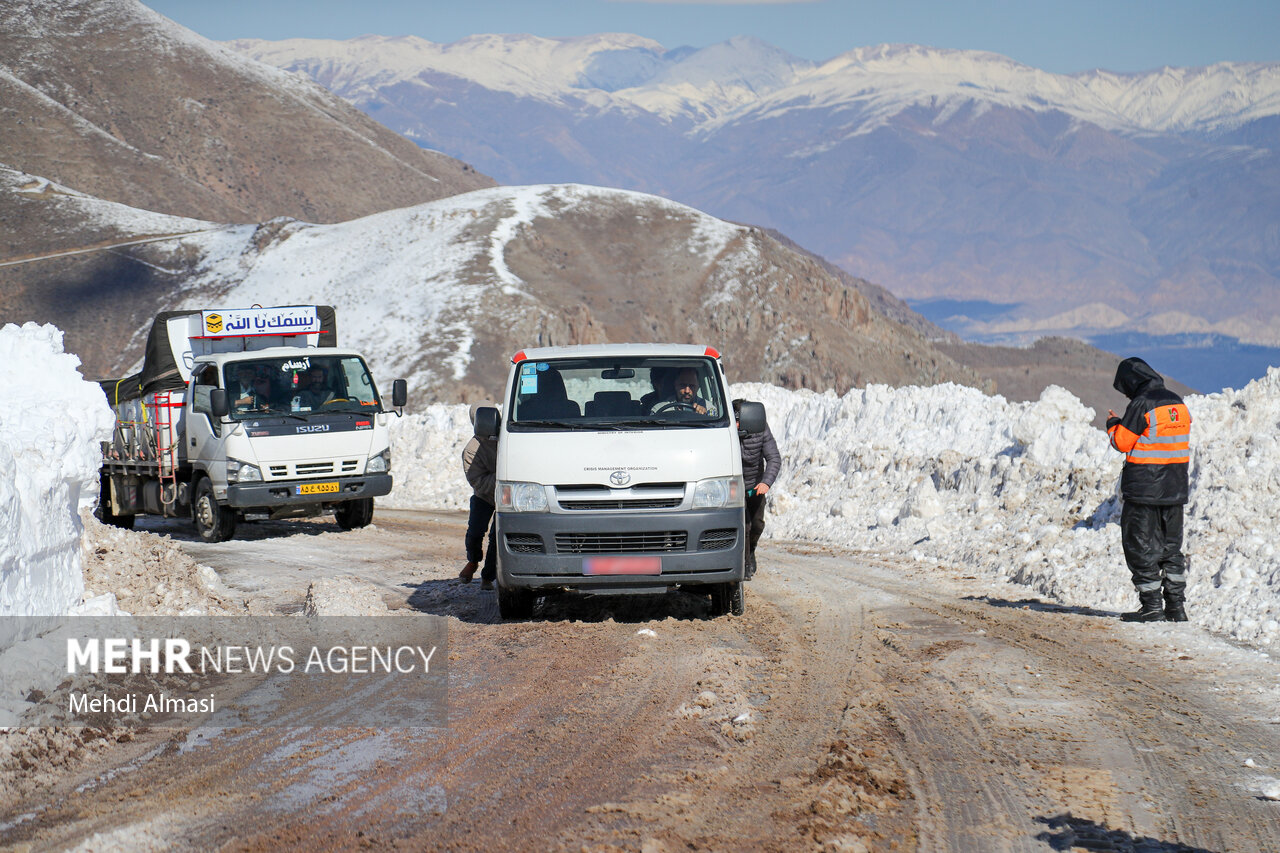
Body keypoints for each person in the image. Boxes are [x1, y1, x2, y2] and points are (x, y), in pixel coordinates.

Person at [1106, 357, 1192, 622]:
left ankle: (1152, 606)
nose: (1126, 394)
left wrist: (1112, 424)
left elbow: (1121, 442)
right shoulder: (1177, 402)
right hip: (1175, 488)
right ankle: (1176, 607)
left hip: (1145, 489)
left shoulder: (1142, 404)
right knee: (1171, 548)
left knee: (1140, 545)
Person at [733, 398, 780, 579]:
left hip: (755, 487)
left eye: (739, 420)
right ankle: (745, 565)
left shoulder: (760, 429)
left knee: (757, 525)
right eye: (734, 420)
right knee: (744, 525)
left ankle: (751, 549)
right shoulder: (726, 432)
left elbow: (774, 458)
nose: (737, 425)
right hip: (734, 489)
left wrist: (766, 482)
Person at [459, 402, 499, 589]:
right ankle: (473, 560)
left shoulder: (508, 438)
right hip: (484, 496)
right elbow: (477, 481)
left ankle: (488, 577)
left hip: (507, 497)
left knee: (496, 537)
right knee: (475, 532)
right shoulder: (471, 450)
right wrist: (502, 478)